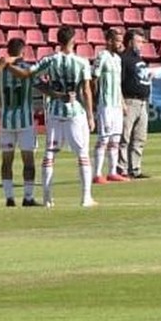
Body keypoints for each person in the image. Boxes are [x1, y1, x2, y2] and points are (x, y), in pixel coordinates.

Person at [33, 28, 97, 207]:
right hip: (74, 112)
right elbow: (86, 90)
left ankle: (47, 197)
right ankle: (86, 197)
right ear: (73, 40)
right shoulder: (81, 62)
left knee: (50, 154)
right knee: (82, 153)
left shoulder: (49, 60)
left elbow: (34, 79)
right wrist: (91, 115)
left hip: (54, 110)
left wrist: (53, 93)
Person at [0, 37, 40, 207]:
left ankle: (9, 197)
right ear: (23, 51)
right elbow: (41, 86)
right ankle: (28, 197)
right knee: (28, 160)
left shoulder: (0, 70)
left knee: (7, 161)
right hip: (25, 122)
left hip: (6, 122)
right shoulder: (28, 68)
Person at [91, 31, 126, 183]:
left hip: (117, 104)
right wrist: (94, 99)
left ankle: (112, 172)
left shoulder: (117, 59)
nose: (120, 44)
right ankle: (97, 174)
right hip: (105, 104)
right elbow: (93, 78)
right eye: (117, 41)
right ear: (109, 41)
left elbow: (118, 83)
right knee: (103, 139)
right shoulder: (102, 56)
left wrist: (123, 102)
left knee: (115, 139)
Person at [118, 28, 152, 178]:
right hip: (129, 100)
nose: (141, 44)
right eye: (139, 41)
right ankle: (121, 169)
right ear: (130, 42)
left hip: (143, 102)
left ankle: (135, 168)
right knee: (124, 137)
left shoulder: (140, 60)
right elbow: (118, 82)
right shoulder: (123, 59)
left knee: (139, 138)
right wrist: (121, 102)